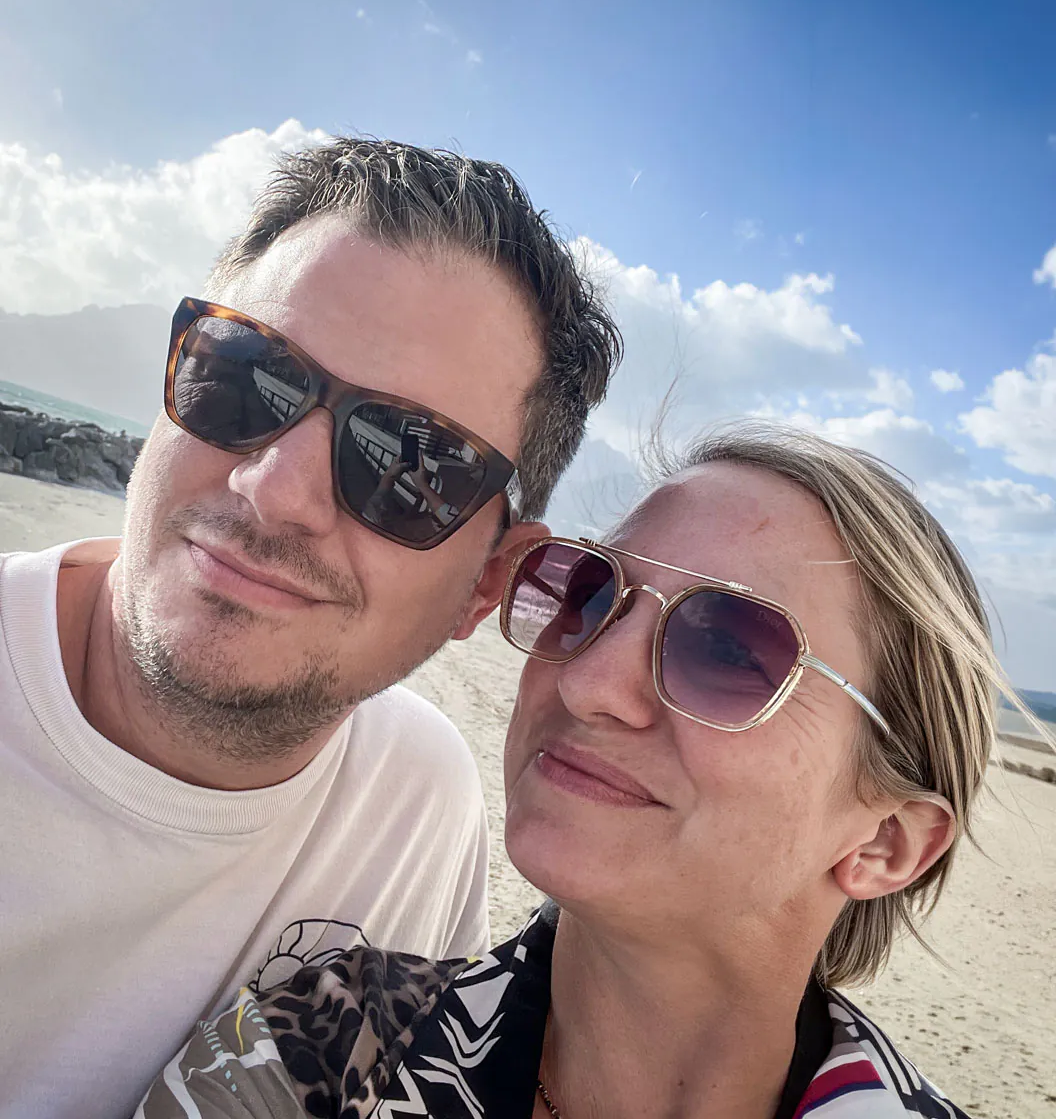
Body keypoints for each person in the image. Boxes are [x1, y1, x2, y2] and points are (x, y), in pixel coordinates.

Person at [0, 139, 621, 1118]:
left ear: (484, 583)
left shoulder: (416, 805)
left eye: (408, 464)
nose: (274, 487)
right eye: (244, 374)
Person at [138, 422, 1002, 1119]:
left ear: (886, 840)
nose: (589, 682)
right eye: (585, 594)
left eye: (731, 649)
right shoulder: (317, 1052)